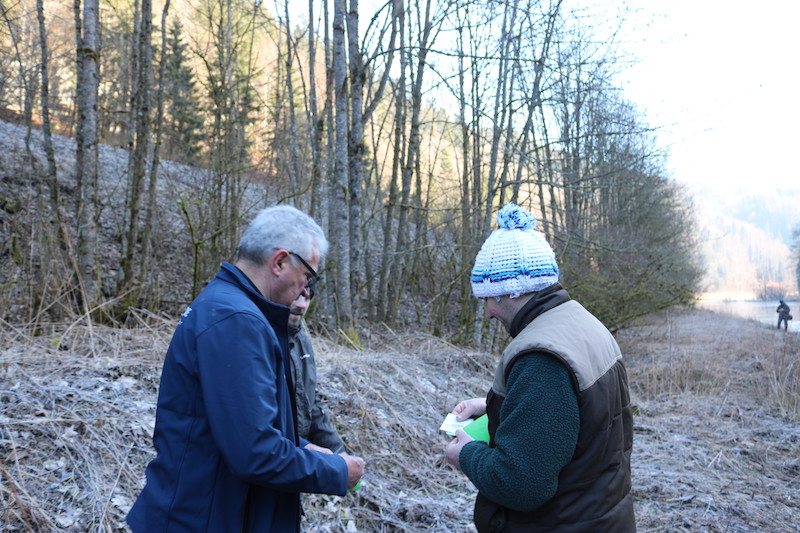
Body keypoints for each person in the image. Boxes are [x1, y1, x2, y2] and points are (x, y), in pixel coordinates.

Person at [127, 205, 364, 533]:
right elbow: (255, 453)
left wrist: (301, 447)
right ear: (280, 262)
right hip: (203, 521)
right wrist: (337, 471)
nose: (305, 290)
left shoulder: (227, 307)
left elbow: (235, 428)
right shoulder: (237, 321)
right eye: (308, 276)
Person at [445, 203, 635, 533]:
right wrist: (496, 407)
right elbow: (575, 419)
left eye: (488, 298)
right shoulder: (583, 324)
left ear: (511, 290)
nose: (488, 312)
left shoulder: (540, 359)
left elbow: (520, 483)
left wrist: (466, 454)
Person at [287, 290, 347, 453]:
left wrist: (338, 452)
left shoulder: (303, 342)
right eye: (296, 295)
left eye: (307, 297)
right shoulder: (261, 341)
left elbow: (310, 401)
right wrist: (303, 448)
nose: (302, 305)